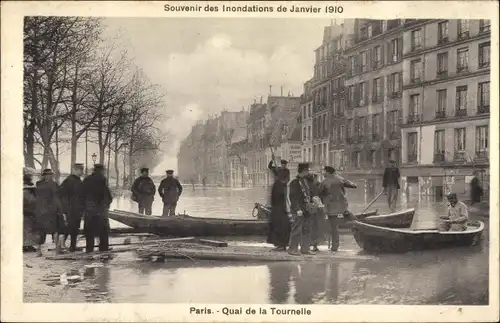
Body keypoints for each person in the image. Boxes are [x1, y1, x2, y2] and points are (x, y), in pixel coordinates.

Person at [319, 166, 357, 252]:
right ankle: (359, 224)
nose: (323, 173)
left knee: (333, 227)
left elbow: (319, 194)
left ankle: (335, 246)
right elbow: (353, 185)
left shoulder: (324, 182)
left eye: (324, 171)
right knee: (351, 218)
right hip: (342, 206)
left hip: (331, 208)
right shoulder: (340, 179)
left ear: (328, 172)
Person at [82, 164, 113, 253]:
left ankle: (89, 249)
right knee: (103, 231)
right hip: (101, 210)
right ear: (102, 170)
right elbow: (108, 196)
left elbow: (82, 195)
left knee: (89, 231)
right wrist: (106, 205)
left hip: (90, 210)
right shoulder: (102, 180)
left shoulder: (87, 180)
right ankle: (104, 249)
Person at [34, 169, 65, 256]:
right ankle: (57, 250)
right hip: (52, 211)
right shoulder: (53, 185)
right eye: (50, 175)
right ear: (47, 176)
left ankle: (38, 251)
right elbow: (56, 199)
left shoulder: (38, 185)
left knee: (41, 232)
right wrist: (60, 210)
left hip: (41, 212)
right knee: (56, 230)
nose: (51, 176)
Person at [288, 163, 316, 256]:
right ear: (303, 171)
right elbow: (293, 197)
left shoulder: (306, 181)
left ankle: (305, 249)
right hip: (299, 210)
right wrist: (297, 209)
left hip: (307, 209)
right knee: (297, 229)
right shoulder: (294, 183)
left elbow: (310, 194)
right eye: (307, 170)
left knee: (307, 229)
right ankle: (293, 249)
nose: (309, 172)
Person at [59, 163, 85, 252]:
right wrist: (66, 208)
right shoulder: (69, 181)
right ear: (74, 170)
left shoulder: (78, 181)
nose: (82, 171)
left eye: (82, 169)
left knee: (74, 228)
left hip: (77, 209)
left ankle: (72, 246)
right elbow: (62, 195)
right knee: (70, 228)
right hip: (71, 209)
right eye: (80, 170)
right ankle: (62, 246)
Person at [267, 169, 292, 251]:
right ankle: (282, 245)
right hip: (279, 210)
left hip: (280, 209)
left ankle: (283, 245)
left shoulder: (280, 185)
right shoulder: (279, 185)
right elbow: (277, 198)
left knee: (283, 227)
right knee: (280, 227)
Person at [308, 173, 326, 252]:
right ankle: (312, 245)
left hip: (316, 209)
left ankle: (314, 245)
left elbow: (322, 197)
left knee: (315, 227)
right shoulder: (310, 186)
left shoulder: (318, 186)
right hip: (313, 209)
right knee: (313, 227)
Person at [23, 172, 38, 252]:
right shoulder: (27, 191)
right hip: (27, 211)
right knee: (27, 228)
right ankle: (25, 245)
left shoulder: (30, 189)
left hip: (29, 211)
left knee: (29, 229)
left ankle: (27, 245)